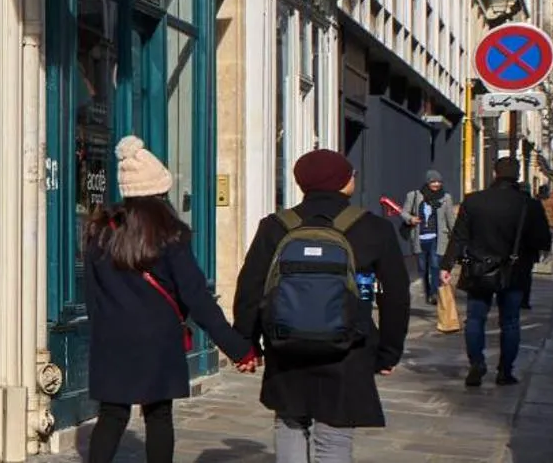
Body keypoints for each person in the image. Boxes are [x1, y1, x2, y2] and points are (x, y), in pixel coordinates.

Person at [83, 137, 257, 463]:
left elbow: (92, 296)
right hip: (157, 338)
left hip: (111, 338)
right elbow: (196, 297)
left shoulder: (101, 231)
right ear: (159, 192)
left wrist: (104, 328)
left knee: (112, 415)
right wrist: (238, 347)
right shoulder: (169, 233)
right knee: (159, 416)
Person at [233, 148, 408, 463]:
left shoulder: (275, 225)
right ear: (342, 181)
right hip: (349, 348)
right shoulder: (373, 228)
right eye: (350, 173)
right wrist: (388, 352)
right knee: (333, 437)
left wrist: (247, 343)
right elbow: (395, 296)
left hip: (285, 345)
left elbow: (250, 289)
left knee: (289, 424)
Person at [444, 156, 550, 386]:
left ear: (494, 173)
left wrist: (446, 265)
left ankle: (476, 363)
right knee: (510, 321)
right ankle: (505, 371)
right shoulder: (528, 205)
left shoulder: (474, 201)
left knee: (475, 319)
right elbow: (543, 239)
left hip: (479, 269)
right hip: (514, 270)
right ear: (518, 175)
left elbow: (459, 236)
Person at [400, 170, 458, 305]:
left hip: (437, 238)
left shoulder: (445, 198)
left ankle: (433, 294)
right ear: (428, 182)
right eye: (433, 181)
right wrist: (411, 219)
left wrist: (455, 235)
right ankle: (427, 291)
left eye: (438, 182)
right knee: (422, 268)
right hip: (419, 237)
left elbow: (450, 218)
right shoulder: (414, 196)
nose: (436, 184)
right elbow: (404, 213)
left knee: (435, 265)